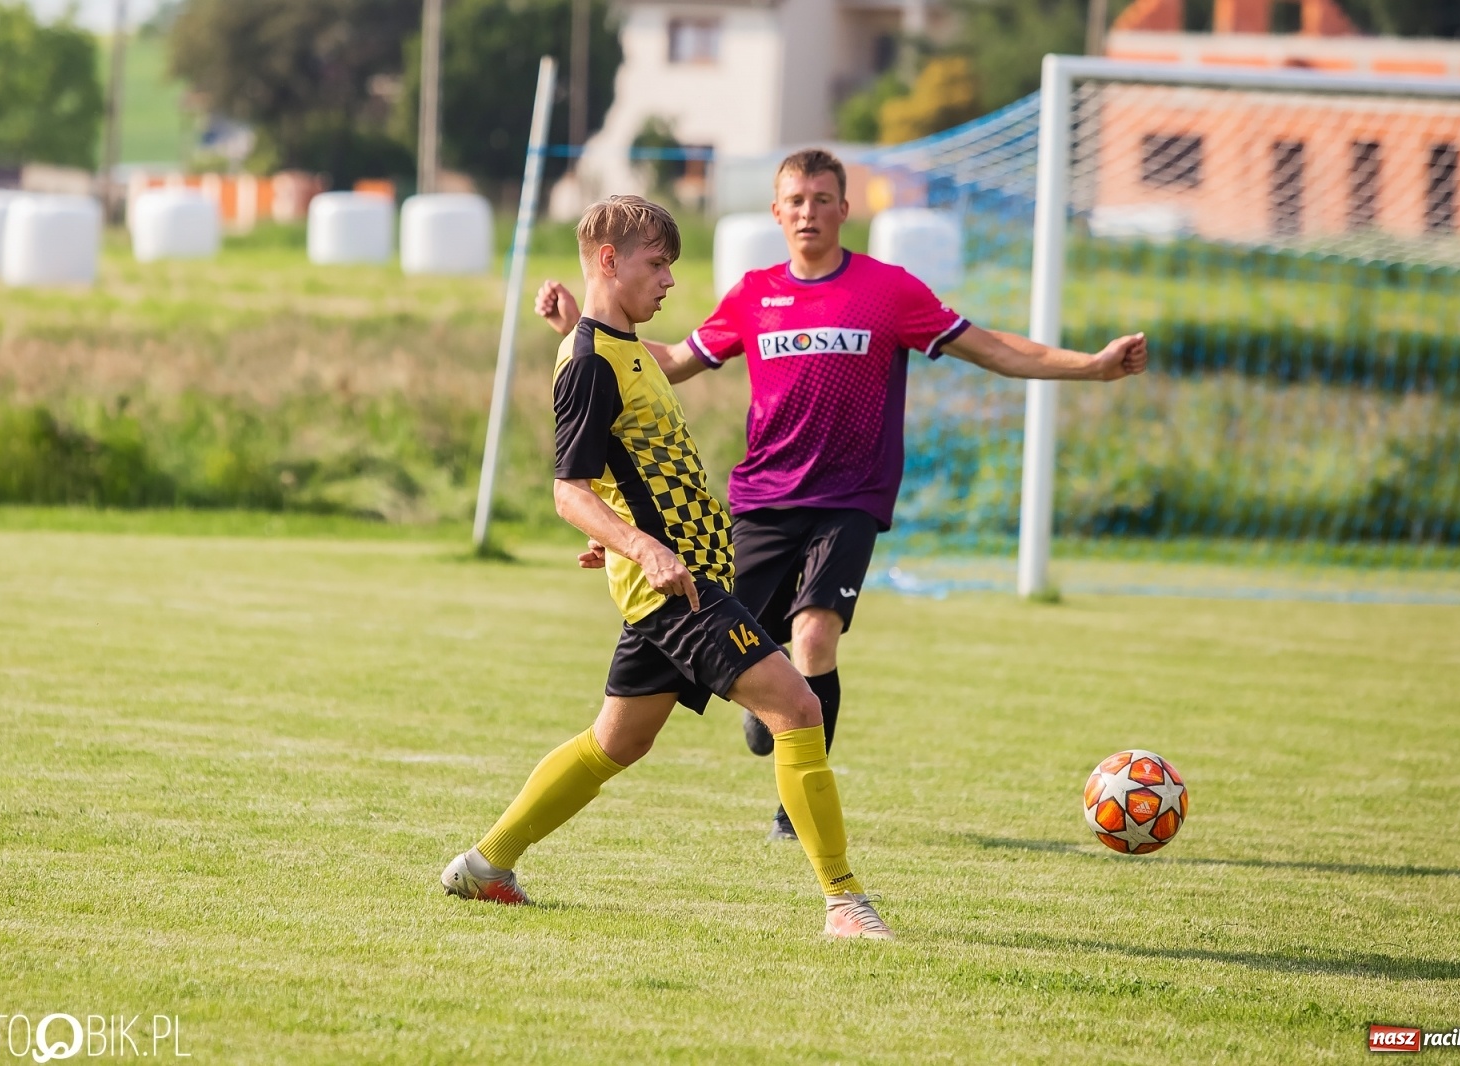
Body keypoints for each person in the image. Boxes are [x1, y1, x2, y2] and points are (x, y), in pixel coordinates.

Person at [536, 150, 1149, 841]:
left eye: (822, 199)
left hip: (849, 499)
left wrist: (1089, 368)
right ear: (777, 212)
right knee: (690, 675)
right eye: (795, 200)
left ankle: (791, 815)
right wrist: (577, 334)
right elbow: (658, 366)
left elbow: (992, 348)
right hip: (761, 500)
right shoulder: (753, 294)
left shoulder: (888, 291)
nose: (808, 212)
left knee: (814, 634)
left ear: (843, 210)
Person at [443, 195, 891, 939]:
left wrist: (618, 536)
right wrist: (641, 545)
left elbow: (627, 473)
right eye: (658, 264)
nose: (670, 282)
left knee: (615, 742)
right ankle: (844, 902)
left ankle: (486, 865)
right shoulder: (588, 362)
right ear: (610, 262)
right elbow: (568, 489)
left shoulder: (627, 353)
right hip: (679, 587)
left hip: (678, 581)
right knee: (799, 709)